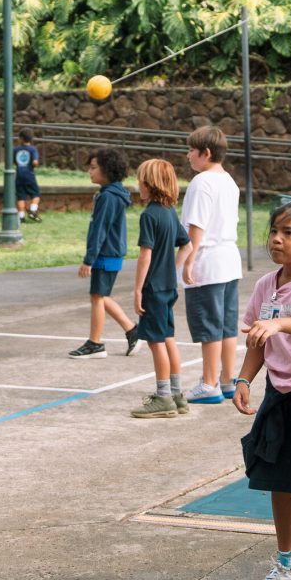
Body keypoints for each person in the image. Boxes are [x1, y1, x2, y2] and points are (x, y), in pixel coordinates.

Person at [233, 202, 291, 580]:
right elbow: (257, 338)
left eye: (289, 233)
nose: (277, 239)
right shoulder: (267, 284)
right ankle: (290, 566)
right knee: (281, 481)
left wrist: (279, 322)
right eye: (274, 231)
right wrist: (245, 378)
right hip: (280, 394)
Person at [181, 125, 242, 405]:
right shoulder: (229, 180)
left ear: (205, 153)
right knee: (227, 325)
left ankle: (209, 383)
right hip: (230, 260)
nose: (188, 156)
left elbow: (197, 225)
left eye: (192, 150)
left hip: (208, 261)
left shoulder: (201, 181)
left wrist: (189, 260)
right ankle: (228, 380)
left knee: (209, 327)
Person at [129, 159, 193, 418]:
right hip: (168, 287)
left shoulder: (149, 215)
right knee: (168, 339)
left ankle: (163, 397)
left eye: (140, 181)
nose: (138, 186)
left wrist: (137, 289)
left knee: (156, 342)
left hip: (153, 289)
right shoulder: (169, 212)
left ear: (149, 184)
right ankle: (177, 395)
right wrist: (173, 269)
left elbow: (146, 255)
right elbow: (186, 245)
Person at [69, 147, 140, 359]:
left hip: (106, 254)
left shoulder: (109, 197)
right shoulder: (110, 194)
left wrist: (88, 260)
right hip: (110, 253)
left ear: (107, 170)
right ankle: (132, 330)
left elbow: (100, 230)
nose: (89, 172)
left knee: (98, 297)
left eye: (93, 168)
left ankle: (96, 343)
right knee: (100, 296)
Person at [15, 127, 42, 222]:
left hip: (18, 175)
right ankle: (33, 210)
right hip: (29, 175)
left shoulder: (16, 149)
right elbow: (35, 162)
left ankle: (21, 216)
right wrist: (36, 164)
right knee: (36, 194)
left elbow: (14, 161)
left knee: (21, 196)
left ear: (21, 138)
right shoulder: (33, 149)